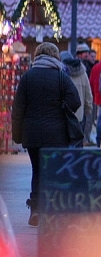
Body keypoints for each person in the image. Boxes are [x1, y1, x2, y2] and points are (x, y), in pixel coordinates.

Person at [12, 42, 80, 226]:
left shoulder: (28, 77)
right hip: (56, 134)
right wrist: (61, 106)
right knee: (52, 171)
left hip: (32, 133)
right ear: (55, 56)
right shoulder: (61, 76)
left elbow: (18, 108)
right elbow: (76, 101)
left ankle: (35, 210)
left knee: (37, 171)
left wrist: (17, 134)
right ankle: (52, 210)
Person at [59, 50, 93, 139]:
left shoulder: (60, 73)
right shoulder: (83, 73)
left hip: (63, 115)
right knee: (77, 142)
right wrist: (88, 110)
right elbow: (88, 94)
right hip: (79, 114)